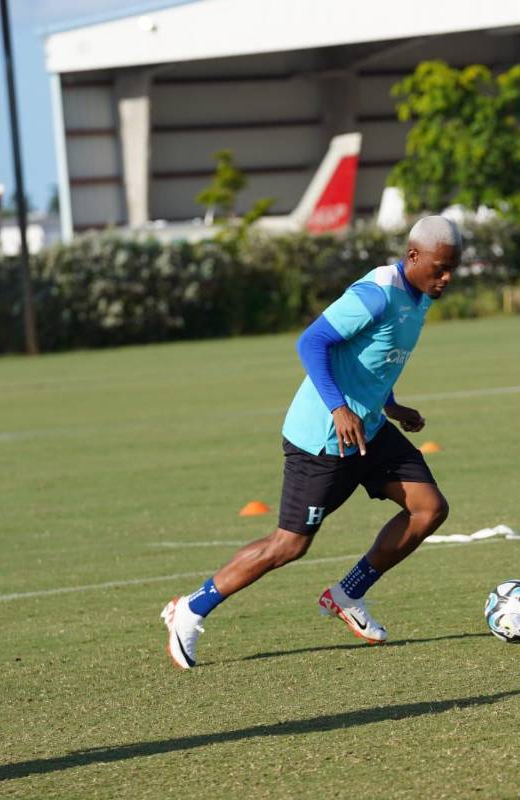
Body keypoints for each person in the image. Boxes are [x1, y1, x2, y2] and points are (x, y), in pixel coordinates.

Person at [160, 216, 461, 669]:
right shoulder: (376, 293)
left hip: (369, 430)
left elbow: (371, 360)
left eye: (453, 268)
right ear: (413, 256)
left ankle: (348, 594)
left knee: (429, 508)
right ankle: (191, 608)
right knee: (289, 544)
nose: (447, 278)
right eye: (440, 268)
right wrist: (338, 408)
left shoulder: (420, 297)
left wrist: (392, 406)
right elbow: (312, 341)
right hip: (321, 438)